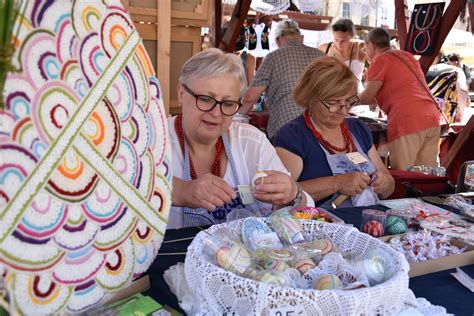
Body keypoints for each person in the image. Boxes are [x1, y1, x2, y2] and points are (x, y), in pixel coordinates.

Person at [169, 48, 310, 229]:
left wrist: (293, 193)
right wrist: (182, 191)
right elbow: (124, 193)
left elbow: (303, 210)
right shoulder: (154, 140)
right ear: (181, 93)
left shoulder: (252, 142)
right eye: (205, 99)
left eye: (228, 104)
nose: (216, 113)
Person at [274, 56, 394, 209]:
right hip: (319, 226)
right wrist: (337, 184)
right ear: (310, 97)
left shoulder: (358, 129)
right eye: (333, 103)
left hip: (368, 225)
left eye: (348, 102)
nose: (343, 110)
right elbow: (281, 195)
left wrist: (384, 183)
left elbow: (389, 184)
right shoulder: (293, 136)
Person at [359, 28, 441, 171]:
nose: (365, 52)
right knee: (427, 173)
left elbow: (367, 97)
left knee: (404, 173)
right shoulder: (406, 56)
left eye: (365, 48)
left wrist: (345, 98)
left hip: (407, 118)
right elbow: (399, 90)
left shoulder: (380, 59)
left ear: (371, 45)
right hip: (431, 116)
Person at [241, 19, 325, 141]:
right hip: (319, 128)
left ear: (278, 40)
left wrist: (237, 118)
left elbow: (250, 97)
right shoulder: (321, 56)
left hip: (286, 129)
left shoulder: (273, 57)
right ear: (301, 38)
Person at [319, 19, 367, 92]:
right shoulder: (324, 48)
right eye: (336, 39)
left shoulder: (361, 47)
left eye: (343, 40)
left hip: (356, 95)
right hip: (331, 94)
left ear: (352, 36)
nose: (339, 43)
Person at [427, 52, 469, 123]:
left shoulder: (423, 70)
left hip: (424, 119)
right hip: (446, 119)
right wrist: (461, 113)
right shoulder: (456, 71)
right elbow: (462, 90)